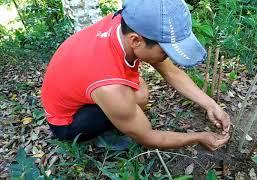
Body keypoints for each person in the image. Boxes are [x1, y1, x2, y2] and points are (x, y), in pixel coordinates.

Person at [41, 0, 231, 151]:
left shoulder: (127, 22)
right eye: (165, 51)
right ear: (135, 40)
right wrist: (198, 137)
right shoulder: (110, 87)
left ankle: (120, 118)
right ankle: (101, 136)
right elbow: (148, 137)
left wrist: (210, 104)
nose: (167, 58)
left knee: (139, 94)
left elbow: (171, 72)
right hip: (68, 122)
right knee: (135, 98)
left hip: (81, 86)